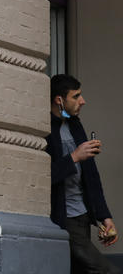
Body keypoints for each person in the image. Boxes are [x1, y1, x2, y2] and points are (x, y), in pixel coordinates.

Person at [46, 74, 119, 273]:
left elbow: (91, 176)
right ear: (59, 100)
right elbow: (41, 177)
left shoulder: (74, 124)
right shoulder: (44, 129)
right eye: (76, 96)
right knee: (106, 270)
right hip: (64, 217)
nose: (82, 101)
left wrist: (105, 217)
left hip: (83, 216)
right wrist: (75, 156)